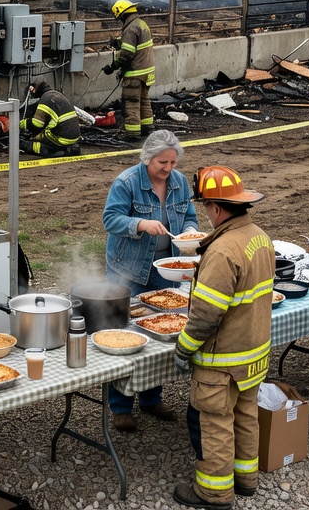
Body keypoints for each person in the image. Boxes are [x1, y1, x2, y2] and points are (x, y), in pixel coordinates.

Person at [172, 165, 272, 508]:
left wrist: (183, 349)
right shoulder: (259, 236)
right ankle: (246, 480)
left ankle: (214, 492)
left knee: (215, 422)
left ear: (216, 208)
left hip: (222, 361)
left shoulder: (221, 250)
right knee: (246, 416)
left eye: (206, 208)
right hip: (253, 354)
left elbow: (204, 315)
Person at [103, 130, 197, 430]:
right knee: (124, 335)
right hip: (127, 268)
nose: (168, 169)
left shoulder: (180, 182)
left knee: (162, 333)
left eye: (172, 162)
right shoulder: (127, 182)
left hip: (165, 269)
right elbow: (110, 219)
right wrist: (140, 223)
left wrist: (191, 232)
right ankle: (119, 408)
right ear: (147, 158)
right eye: (162, 162)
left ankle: (151, 398)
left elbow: (191, 214)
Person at [102, 0, 155, 141]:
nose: (119, 20)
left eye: (119, 17)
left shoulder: (130, 29)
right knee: (144, 100)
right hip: (147, 72)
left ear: (123, 15)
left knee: (131, 102)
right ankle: (147, 129)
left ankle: (132, 134)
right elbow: (134, 41)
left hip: (135, 73)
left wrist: (112, 67)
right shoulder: (141, 24)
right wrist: (118, 41)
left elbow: (126, 54)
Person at [19, 81, 81, 156]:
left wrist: (22, 124)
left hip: (61, 138)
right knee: (42, 135)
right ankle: (70, 149)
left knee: (33, 145)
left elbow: (37, 124)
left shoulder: (45, 99)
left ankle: (53, 151)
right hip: (74, 138)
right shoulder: (57, 94)